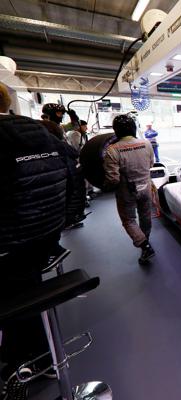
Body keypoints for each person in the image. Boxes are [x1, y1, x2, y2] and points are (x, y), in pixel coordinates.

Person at [0, 82, 72, 399]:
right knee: (25, 293)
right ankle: (39, 359)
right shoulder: (42, 131)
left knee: (14, 302)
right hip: (47, 237)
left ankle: (22, 367)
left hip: (10, 247)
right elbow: (73, 171)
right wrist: (62, 221)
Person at [103, 114, 156, 265]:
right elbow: (151, 164)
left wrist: (105, 186)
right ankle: (146, 242)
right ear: (133, 128)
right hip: (146, 186)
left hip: (127, 191)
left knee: (129, 220)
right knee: (146, 217)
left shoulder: (112, 150)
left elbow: (113, 179)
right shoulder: (146, 144)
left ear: (116, 131)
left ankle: (145, 245)